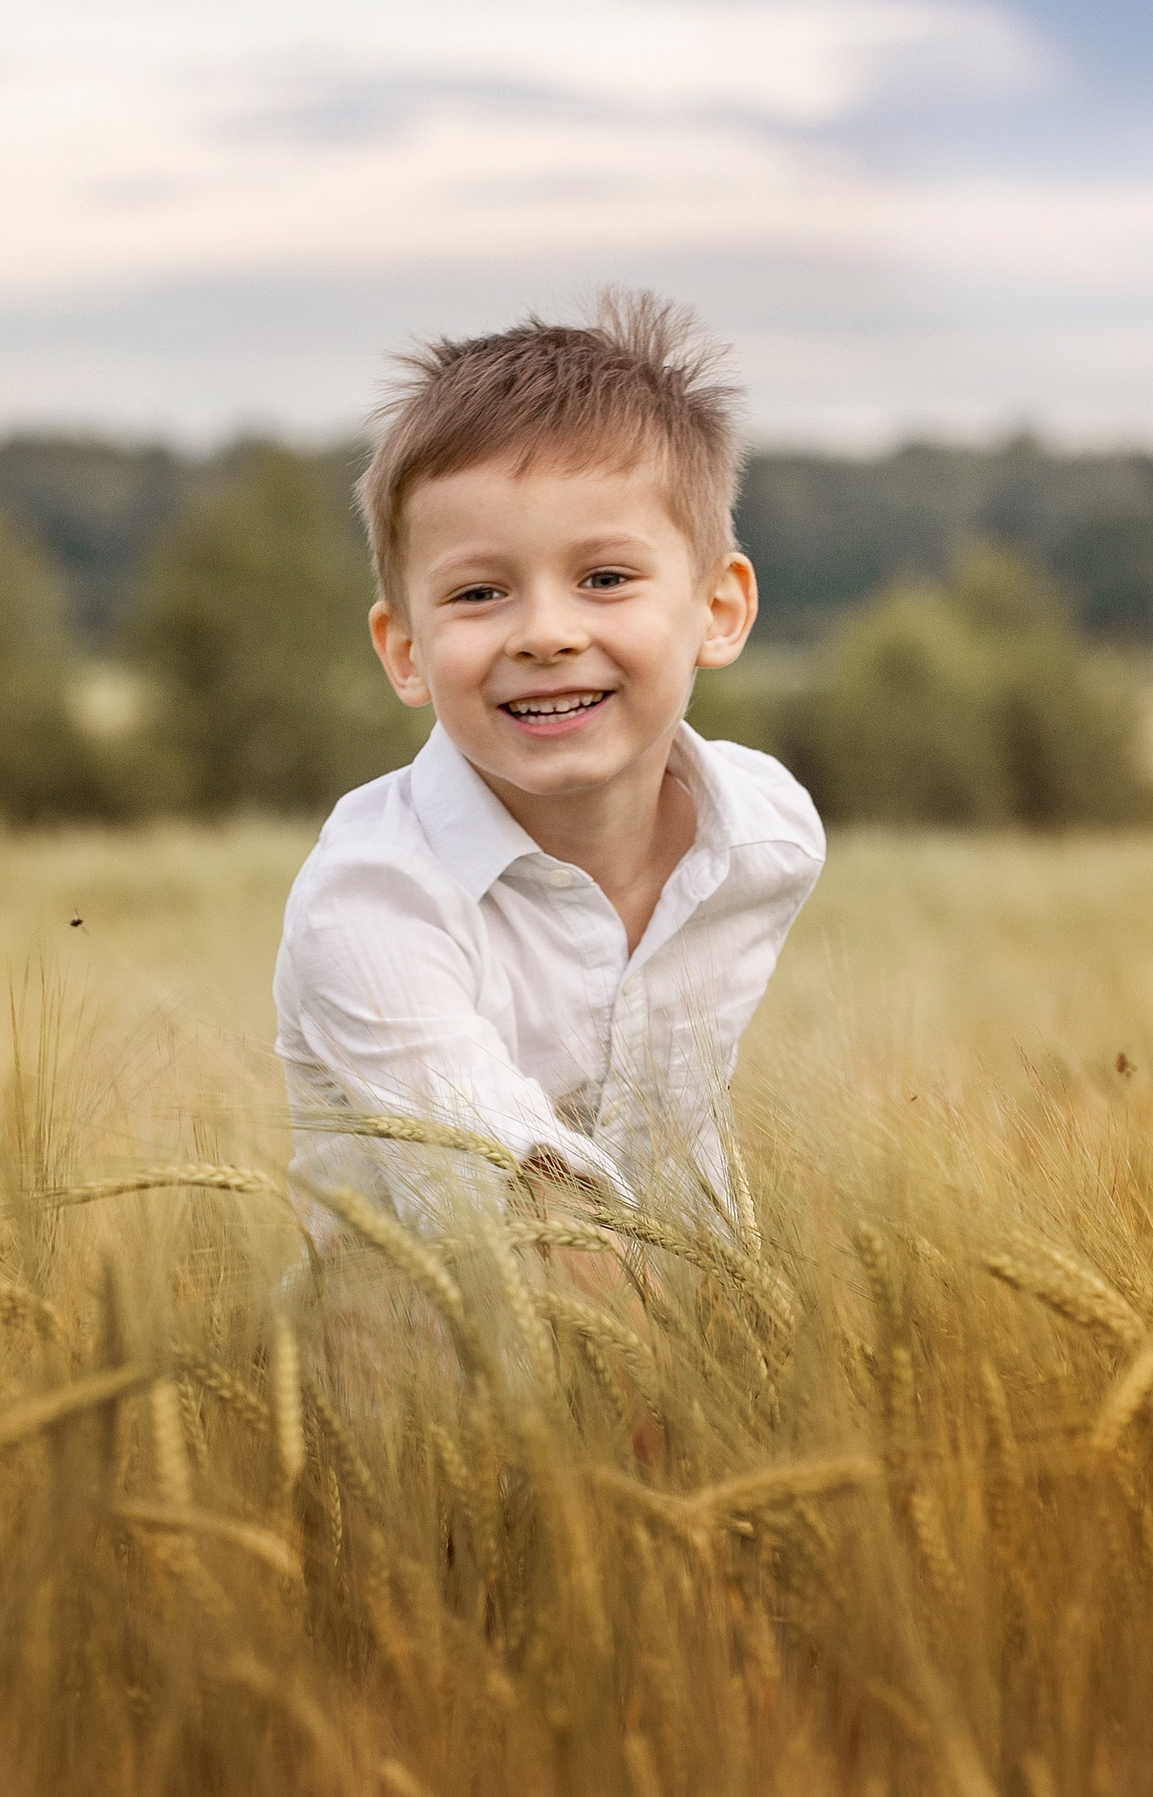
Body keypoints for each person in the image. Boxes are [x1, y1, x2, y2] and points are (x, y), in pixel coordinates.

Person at [272, 290, 823, 1258]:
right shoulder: (370, 904)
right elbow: (532, 1220)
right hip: (415, 1393)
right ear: (404, 649)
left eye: (605, 578)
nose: (546, 634)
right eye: (479, 593)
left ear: (718, 609)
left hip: (691, 1359)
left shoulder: (766, 836)